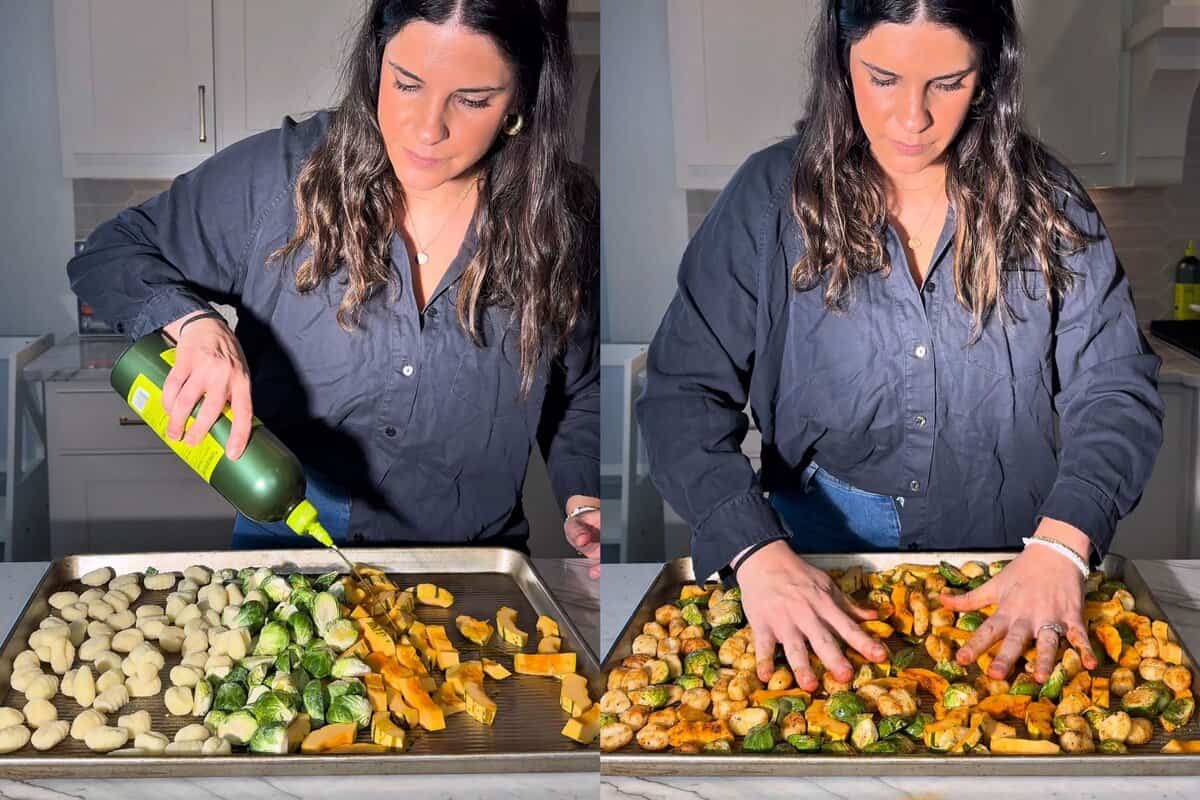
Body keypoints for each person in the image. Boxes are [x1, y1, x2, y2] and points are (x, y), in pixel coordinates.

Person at [637, 0, 1163, 690]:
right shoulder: (768, 199)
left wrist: (1063, 543)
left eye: (947, 82)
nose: (911, 119)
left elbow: (1115, 386)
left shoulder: (1051, 201)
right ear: (839, 61)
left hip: (1019, 555)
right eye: (882, 78)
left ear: (990, 75)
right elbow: (682, 396)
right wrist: (752, 547)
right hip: (807, 559)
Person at [69, 0, 601, 578]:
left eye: (472, 100)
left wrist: (587, 499)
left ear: (522, 97)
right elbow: (109, 252)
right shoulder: (281, 176)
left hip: (474, 568)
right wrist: (194, 324)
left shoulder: (565, 220)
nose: (427, 128)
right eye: (406, 84)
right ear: (377, 61)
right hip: (283, 558)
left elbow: (580, 389)